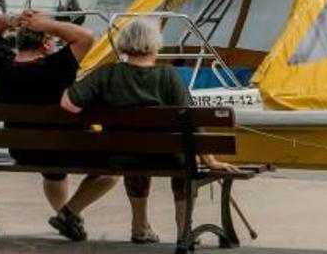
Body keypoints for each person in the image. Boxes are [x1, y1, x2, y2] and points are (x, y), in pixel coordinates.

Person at [60, 17, 239, 245]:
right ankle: (184, 232)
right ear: (155, 45)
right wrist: (210, 160)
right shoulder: (168, 76)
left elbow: (68, 103)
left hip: (123, 157)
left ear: (124, 43)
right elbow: (191, 122)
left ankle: (139, 227)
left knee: (133, 153)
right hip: (169, 159)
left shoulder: (107, 74)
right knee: (184, 161)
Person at [0, 10, 118, 241]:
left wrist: (12, 20)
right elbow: (86, 37)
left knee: (53, 173)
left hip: (22, 150)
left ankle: (66, 217)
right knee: (114, 168)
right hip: (64, 148)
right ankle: (69, 212)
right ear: (46, 45)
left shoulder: (1, 64)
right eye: (53, 42)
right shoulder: (56, 66)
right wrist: (46, 23)